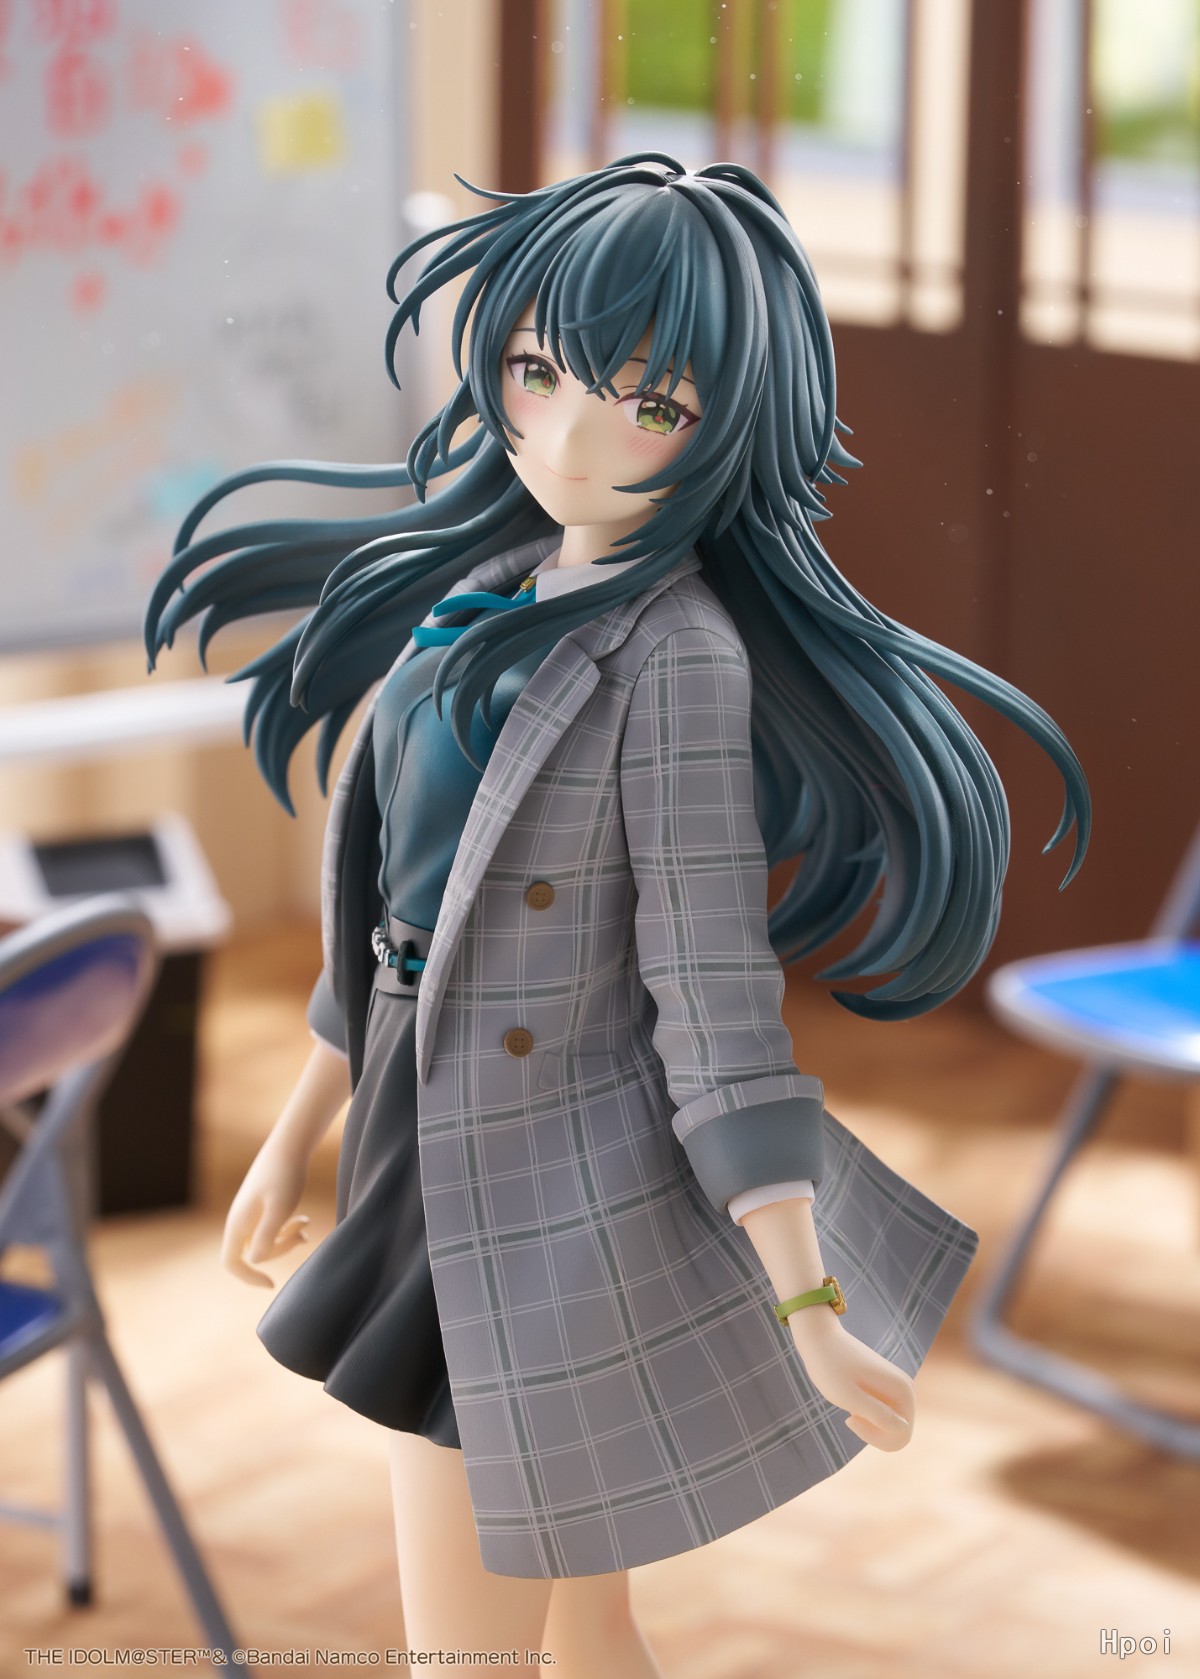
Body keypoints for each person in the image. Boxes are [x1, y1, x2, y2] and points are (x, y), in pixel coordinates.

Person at [145, 155, 1090, 1675]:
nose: (571, 439)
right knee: (585, 1618)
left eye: (650, 405)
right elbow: (394, 910)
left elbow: (709, 985)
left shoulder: (679, 655)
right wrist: (297, 1128)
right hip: (415, 1122)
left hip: (546, 1184)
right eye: (538, 373)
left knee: (465, 1652)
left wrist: (809, 1299)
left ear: (732, 425)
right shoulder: (485, 586)